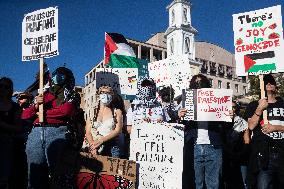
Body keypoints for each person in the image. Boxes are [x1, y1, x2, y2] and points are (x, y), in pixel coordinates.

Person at [22, 67, 78, 189]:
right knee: (34, 173)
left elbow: (66, 111)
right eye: (55, 74)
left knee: (58, 175)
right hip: (36, 133)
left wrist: (40, 114)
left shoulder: (72, 94)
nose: (57, 77)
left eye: (62, 75)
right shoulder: (42, 94)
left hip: (58, 132)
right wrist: (36, 105)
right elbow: (25, 115)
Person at [178, 74, 231, 189]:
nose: (199, 86)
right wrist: (180, 117)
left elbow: (226, 127)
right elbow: (180, 129)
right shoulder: (187, 102)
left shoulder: (216, 101)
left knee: (213, 184)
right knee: (196, 183)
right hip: (194, 147)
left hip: (213, 147)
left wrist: (229, 116)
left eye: (201, 84)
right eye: (196, 84)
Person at [245, 74, 284, 189]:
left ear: (276, 86)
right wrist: (260, 108)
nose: (269, 84)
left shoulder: (282, 104)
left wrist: (276, 128)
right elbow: (251, 126)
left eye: (271, 82)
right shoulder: (253, 105)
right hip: (264, 155)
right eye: (266, 81)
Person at [83, 85, 123, 158]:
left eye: (109, 93)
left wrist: (101, 141)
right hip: (94, 147)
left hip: (111, 148)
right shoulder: (92, 112)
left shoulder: (117, 111)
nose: (106, 95)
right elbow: (88, 132)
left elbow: (118, 130)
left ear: (112, 96)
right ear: (98, 95)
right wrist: (93, 146)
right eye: (103, 92)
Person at [0, 77, 23, 188]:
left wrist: (4, 126)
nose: (3, 89)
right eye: (1, 86)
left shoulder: (15, 107)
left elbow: (19, 128)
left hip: (6, 141)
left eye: (6, 87)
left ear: (10, 89)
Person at [223, 100, 250, 189]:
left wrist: (243, 153)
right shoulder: (221, 122)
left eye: (234, 107)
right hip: (226, 157)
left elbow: (247, 140)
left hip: (240, 156)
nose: (231, 109)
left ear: (237, 109)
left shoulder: (243, 122)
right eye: (229, 107)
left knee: (243, 181)